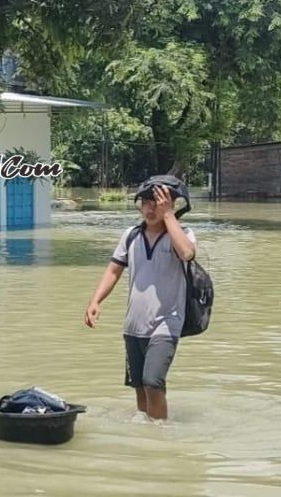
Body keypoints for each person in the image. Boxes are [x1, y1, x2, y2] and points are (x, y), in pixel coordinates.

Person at [84, 180, 197, 422]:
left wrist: (168, 216)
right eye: (145, 202)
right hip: (133, 325)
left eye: (156, 203)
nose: (149, 209)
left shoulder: (183, 234)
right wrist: (95, 301)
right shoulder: (131, 236)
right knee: (140, 387)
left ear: (171, 205)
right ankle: (146, 431)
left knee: (152, 382)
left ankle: (161, 433)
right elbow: (113, 271)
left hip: (167, 323)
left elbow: (187, 253)